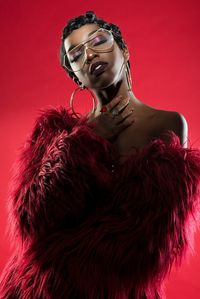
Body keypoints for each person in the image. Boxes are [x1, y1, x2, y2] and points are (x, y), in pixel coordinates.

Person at [0, 10, 200, 299]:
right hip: (37, 291)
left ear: (124, 50)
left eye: (98, 40)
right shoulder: (57, 137)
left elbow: (152, 240)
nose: (90, 55)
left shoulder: (167, 124)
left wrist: (64, 260)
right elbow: (29, 224)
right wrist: (83, 144)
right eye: (76, 55)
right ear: (76, 77)